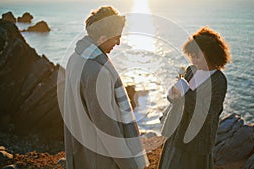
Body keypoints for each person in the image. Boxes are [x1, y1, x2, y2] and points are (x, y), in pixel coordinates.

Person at [63, 6, 149, 169]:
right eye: (116, 37)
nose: (118, 42)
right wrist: (129, 165)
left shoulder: (75, 58)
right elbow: (107, 128)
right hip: (101, 159)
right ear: (102, 38)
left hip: (80, 152)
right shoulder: (98, 71)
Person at [158, 26, 231, 169]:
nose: (194, 60)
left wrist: (185, 93)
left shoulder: (219, 81)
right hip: (176, 133)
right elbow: (177, 100)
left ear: (211, 54)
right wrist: (173, 94)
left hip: (196, 142)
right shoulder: (191, 70)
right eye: (191, 56)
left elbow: (208, 113)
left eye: (197, 56)